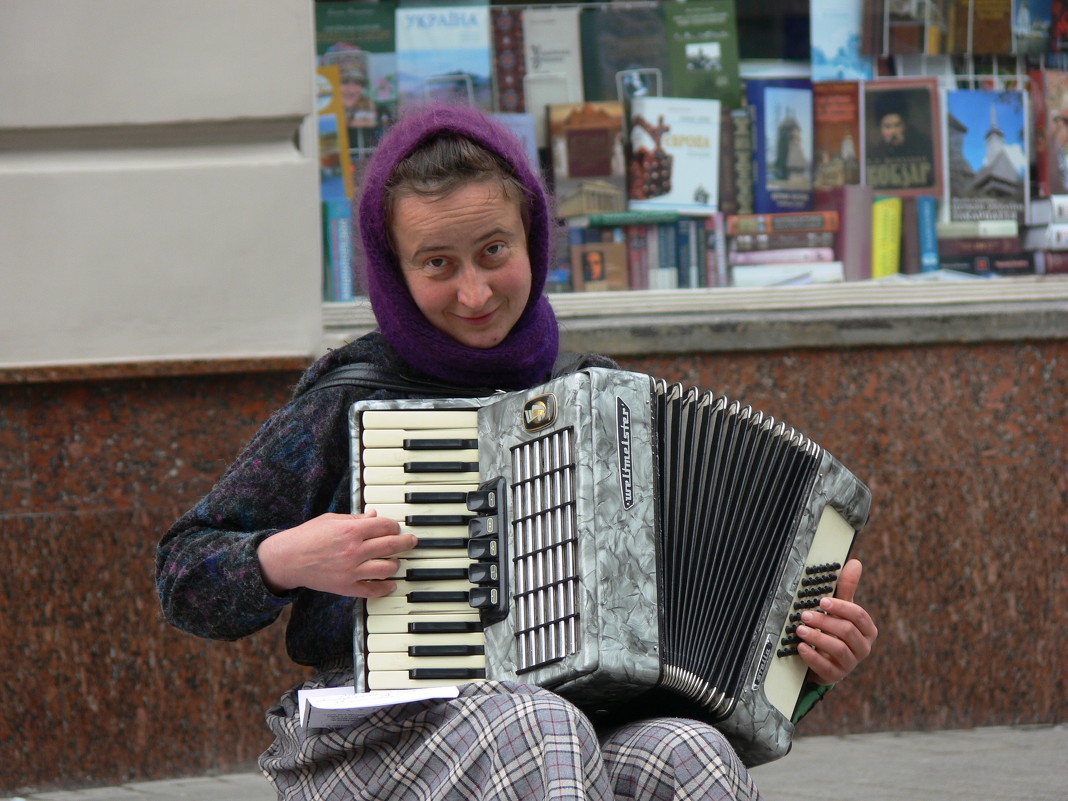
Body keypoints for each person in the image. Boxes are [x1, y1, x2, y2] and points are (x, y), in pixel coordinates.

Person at [156, 104, 877, 801]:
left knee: (690, 755)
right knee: (536, 724)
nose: (474, 291)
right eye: (438, 263)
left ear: (532, 239)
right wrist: (287, 557)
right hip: (376, 736)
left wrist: (805, 665)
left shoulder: (598, 394)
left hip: (576, 724)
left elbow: (699, 649)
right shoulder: (349, 398)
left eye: (493, 251)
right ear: (394, 271)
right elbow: (183, 569)